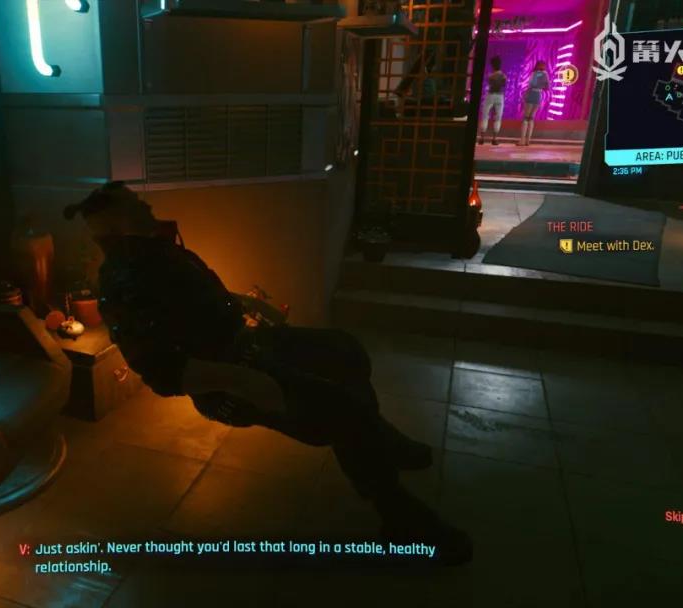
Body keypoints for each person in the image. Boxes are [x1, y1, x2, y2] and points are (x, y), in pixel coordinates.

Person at [63, 182, 473, 565]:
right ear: (114, 224)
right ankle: (397, 511)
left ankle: (379, 437)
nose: (147, 205)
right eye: (135, 205)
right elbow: (160, 371)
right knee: (340, 410)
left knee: (344, 350)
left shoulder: (156, 251)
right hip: (231, 381)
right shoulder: (126, 278)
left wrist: (247, 303)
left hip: (250, 345)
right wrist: (245, 381)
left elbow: (198, 299)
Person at [519, 61, 550, 146]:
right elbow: (547, 87)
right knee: (532, 118)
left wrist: (525, 95)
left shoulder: (534, 73)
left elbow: (530, 85)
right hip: (538, 95)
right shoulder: (545, 74)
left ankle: (522, 140)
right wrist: (541, 86)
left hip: (531, 94)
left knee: (526, 118)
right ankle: (528, 140)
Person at [478, 56, 506, 146]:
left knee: (485, 115)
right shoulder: (503, 76)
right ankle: (494, 138)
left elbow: (489, 83)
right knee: (498, 117)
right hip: (500, 96)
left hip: (491, 95)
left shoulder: (491, 76)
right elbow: (504, 85)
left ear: (492, 65)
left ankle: (482, 138)